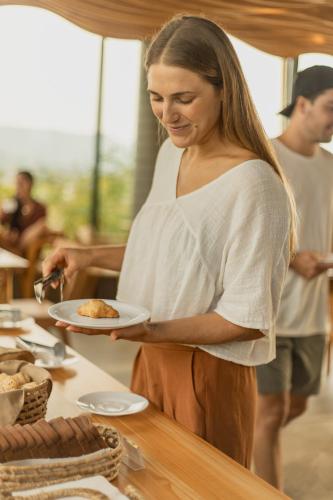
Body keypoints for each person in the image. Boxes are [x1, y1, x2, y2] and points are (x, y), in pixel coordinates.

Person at [43, 15, 296, 468]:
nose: (167, 114)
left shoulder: (255, 185)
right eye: (156, 98)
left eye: (184, 98)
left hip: (209, 374)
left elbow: (248, 317)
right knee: (145, 482)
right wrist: (89, 256)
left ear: (225, 90)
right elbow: (170, 255)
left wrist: (150, 329)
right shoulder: (170, 154)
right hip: (152, 357)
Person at [254, 65, 333, 489]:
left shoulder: (330, 167)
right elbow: (247, 230)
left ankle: (244, 453)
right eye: (330, 108)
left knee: (294, 407)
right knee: (269, 413)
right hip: (268, 313)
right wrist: (292, 257)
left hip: (312, 317)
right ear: (301, 104)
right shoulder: (265, 158)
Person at [0, 170, 47, 254]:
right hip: (9, 244)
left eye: (22, 182)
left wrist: (25, 237)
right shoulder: (10, 203)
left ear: (31, 184)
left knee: (41, 227)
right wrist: (7, 233)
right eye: (17, 183)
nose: (19, 186)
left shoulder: (40, 208)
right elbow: (2, 222)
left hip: (28, 247)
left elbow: (41, 227)